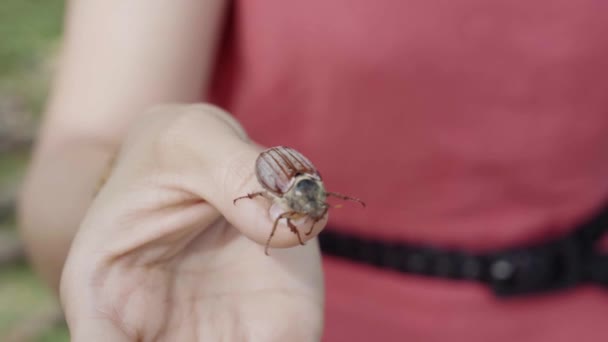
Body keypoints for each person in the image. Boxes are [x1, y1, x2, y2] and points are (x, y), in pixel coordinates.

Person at [17, 1, 608, 341]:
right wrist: (128, 202)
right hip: (265, 306)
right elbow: (82, 148)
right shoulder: (285, 203)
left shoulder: (314, 196)